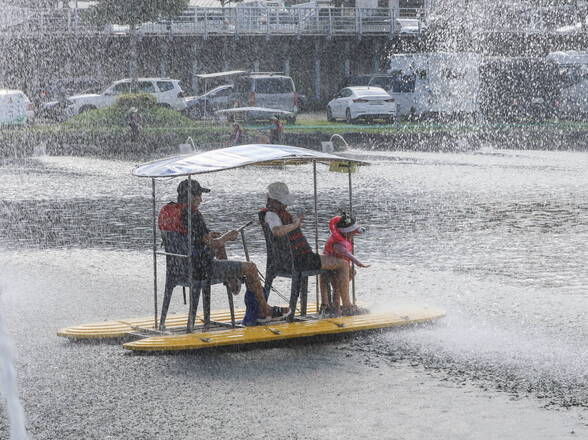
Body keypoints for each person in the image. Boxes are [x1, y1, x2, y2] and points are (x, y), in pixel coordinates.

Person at [158, 179, 287, 322]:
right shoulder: (192, 215)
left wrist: (208, 238)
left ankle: (232, 279)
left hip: (178, 268)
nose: (201, 200)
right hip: (200, 269)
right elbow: (215, 243)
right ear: (189, 196)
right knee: (250, 268)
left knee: (220, 247)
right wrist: (228, 236)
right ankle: (264, 310)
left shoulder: (167, 211)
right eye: (198, 196)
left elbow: (187, 237)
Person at [260, 182, 365, 317]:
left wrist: (295, 222)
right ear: (273, 201)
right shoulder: (271, 215)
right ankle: (347, 307)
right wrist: (295, 224)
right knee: (343, 264)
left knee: (328, 263)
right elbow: (277, 232)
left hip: (290, 259)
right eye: (282, 202)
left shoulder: (277, 214)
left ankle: (327, 305)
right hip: (297, 261)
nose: (285, 205)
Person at [320, 213, 369, 316]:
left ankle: (336, 305)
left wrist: (362, 229)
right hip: (331, 265)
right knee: (339, 278)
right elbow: (346, 254)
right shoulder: (338, 243)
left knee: (351, 272)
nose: (354, 233)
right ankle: (343, 306)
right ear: (346, 232)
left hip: (339, 264)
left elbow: (356, 230)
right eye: (352, 232)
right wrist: (358, 262)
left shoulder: (344, 234)